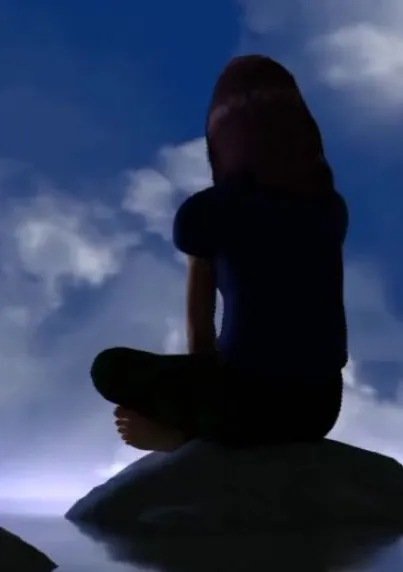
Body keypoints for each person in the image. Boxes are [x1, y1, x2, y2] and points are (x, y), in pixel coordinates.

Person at [91, 54, 348, 451]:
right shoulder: (329, 207)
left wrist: (191, 407)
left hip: (242, 403)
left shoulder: (209, 211)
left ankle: (187, 440)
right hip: (319, 409)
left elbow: (200, 331)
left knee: (110, 367)